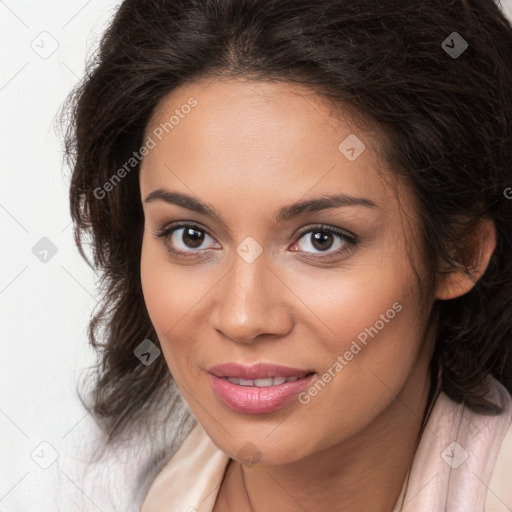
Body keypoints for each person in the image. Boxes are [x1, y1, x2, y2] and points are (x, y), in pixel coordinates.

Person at [61, 0, 512, 510]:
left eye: (322, 239)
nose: (243, 317)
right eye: (190, 235)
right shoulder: (97, 483)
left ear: (459, 252)